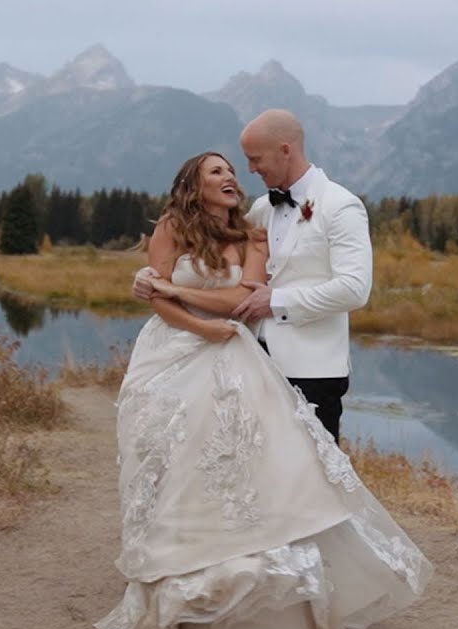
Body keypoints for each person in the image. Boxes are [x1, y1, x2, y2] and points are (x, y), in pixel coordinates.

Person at [95, 151, 431, 629]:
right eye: (218, 171)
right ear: (193, 184)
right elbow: (158, 300)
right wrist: (195, 321)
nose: (232, 176)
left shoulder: (252, 232)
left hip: (235, 356)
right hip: (173, 353)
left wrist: (175, 293)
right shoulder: (170, 227)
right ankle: (185, 590)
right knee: (178, 466)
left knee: (256, 464)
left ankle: (279, 605)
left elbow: (238, 302)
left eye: (235, 169)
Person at [135, 109, 371, 443]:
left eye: (255, 159)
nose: (249, 170)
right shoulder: (261, 209)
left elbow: (354, 289)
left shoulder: (340, 205)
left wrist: (276, 301)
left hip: (312, 368)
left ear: (284, 150)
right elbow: (214, 250)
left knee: (313, 477)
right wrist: (148, 279)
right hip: (252, 363)